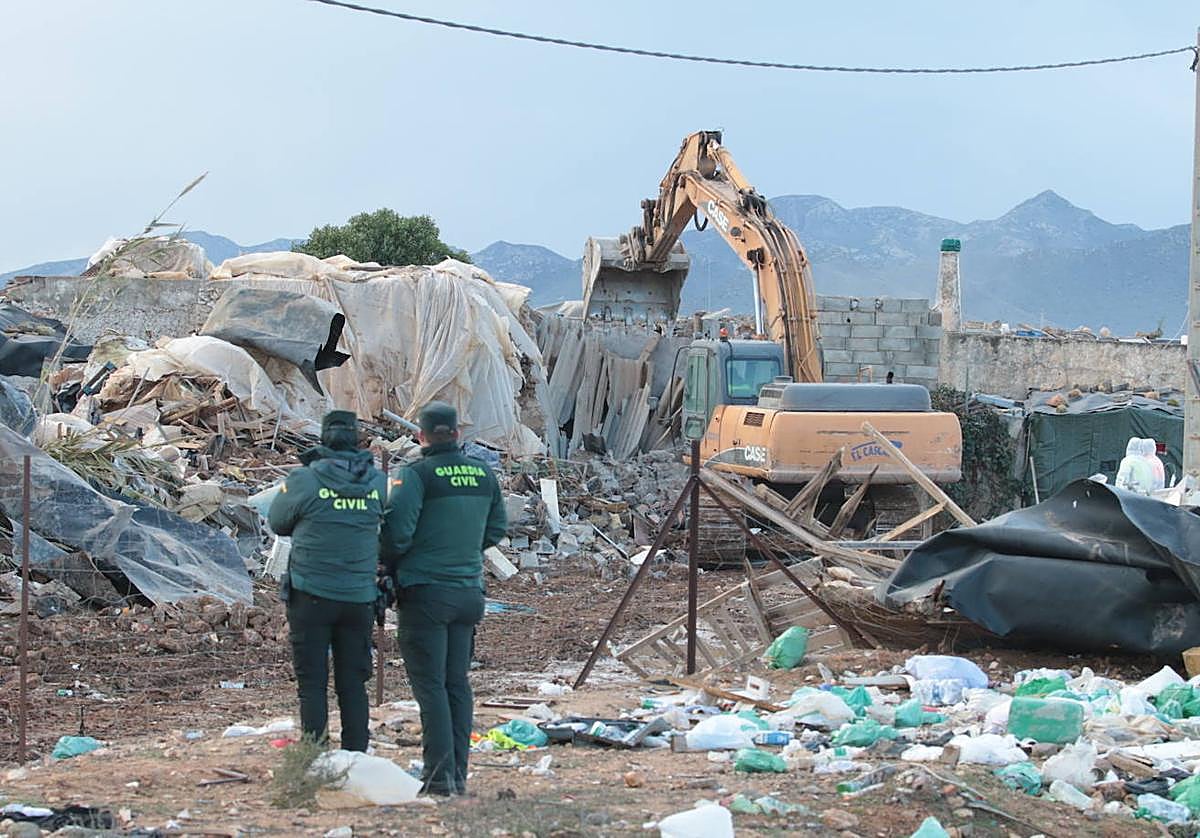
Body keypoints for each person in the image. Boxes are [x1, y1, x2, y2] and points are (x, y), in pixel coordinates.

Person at [381, 401, 506, 796]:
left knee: (431, 686)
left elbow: (396, 532)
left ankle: (438, 780)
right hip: (468, 591)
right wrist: (463, 551)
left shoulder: (416, 474)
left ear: (420, 435)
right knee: (457, 684)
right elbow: (496, 529)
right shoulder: (483, 473)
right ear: (457, 433)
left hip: (426, 593)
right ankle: (458, 777)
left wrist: (391, 562)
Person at [268, 410, 386, 751]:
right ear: (356, 437)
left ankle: (315, 756)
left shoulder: (303, 479)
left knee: (312, 682)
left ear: (322, 438)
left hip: (310, 594)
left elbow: (278, 522)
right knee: (353, 682)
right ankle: (355, 756)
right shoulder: (377, 482)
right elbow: (391, 523)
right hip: (359, 596)